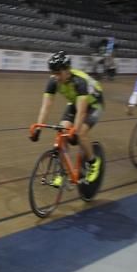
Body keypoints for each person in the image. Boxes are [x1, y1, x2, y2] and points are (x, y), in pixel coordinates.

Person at [29, 51, 104, 186]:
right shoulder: (53, 81)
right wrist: (38, 128)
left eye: (58, 73)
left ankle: (93, 162)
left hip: (93, 104)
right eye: (53, 72)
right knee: (62, 132)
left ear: (67, 70)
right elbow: (45, 107)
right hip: (76, 102)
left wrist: (74, 131)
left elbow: (81, 112)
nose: (55, 76)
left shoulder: (79, 81)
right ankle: (61, 172)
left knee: (81, 133)